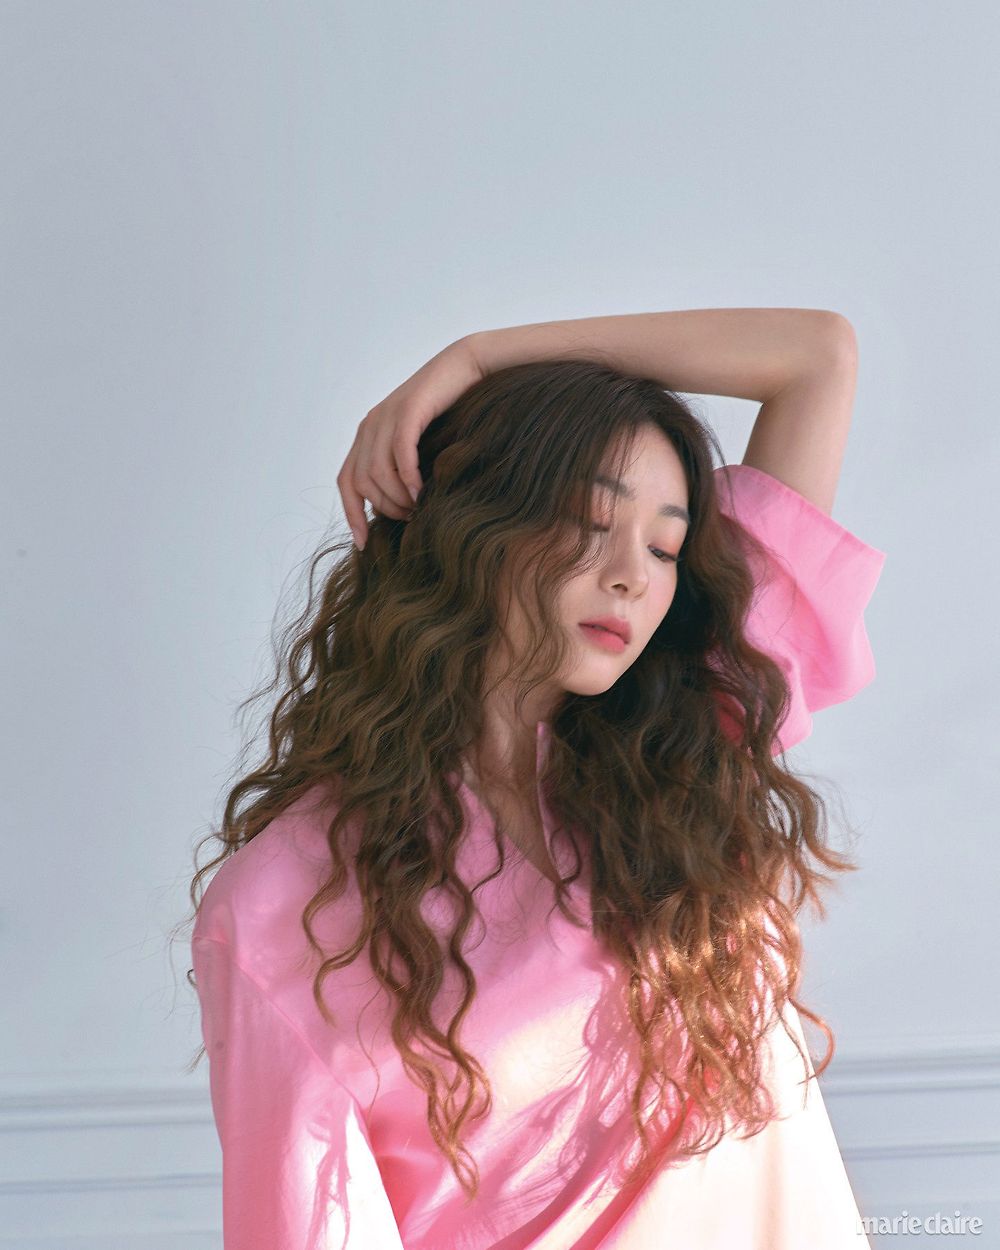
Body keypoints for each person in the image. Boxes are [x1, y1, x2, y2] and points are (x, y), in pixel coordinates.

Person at [184, 310, 886, 1248]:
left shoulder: (687, 742)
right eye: (591, 523)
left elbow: (815, 357)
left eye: (665, 548)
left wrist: (478, 355)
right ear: (473, 527)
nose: (633, 576)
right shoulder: (284, 902)